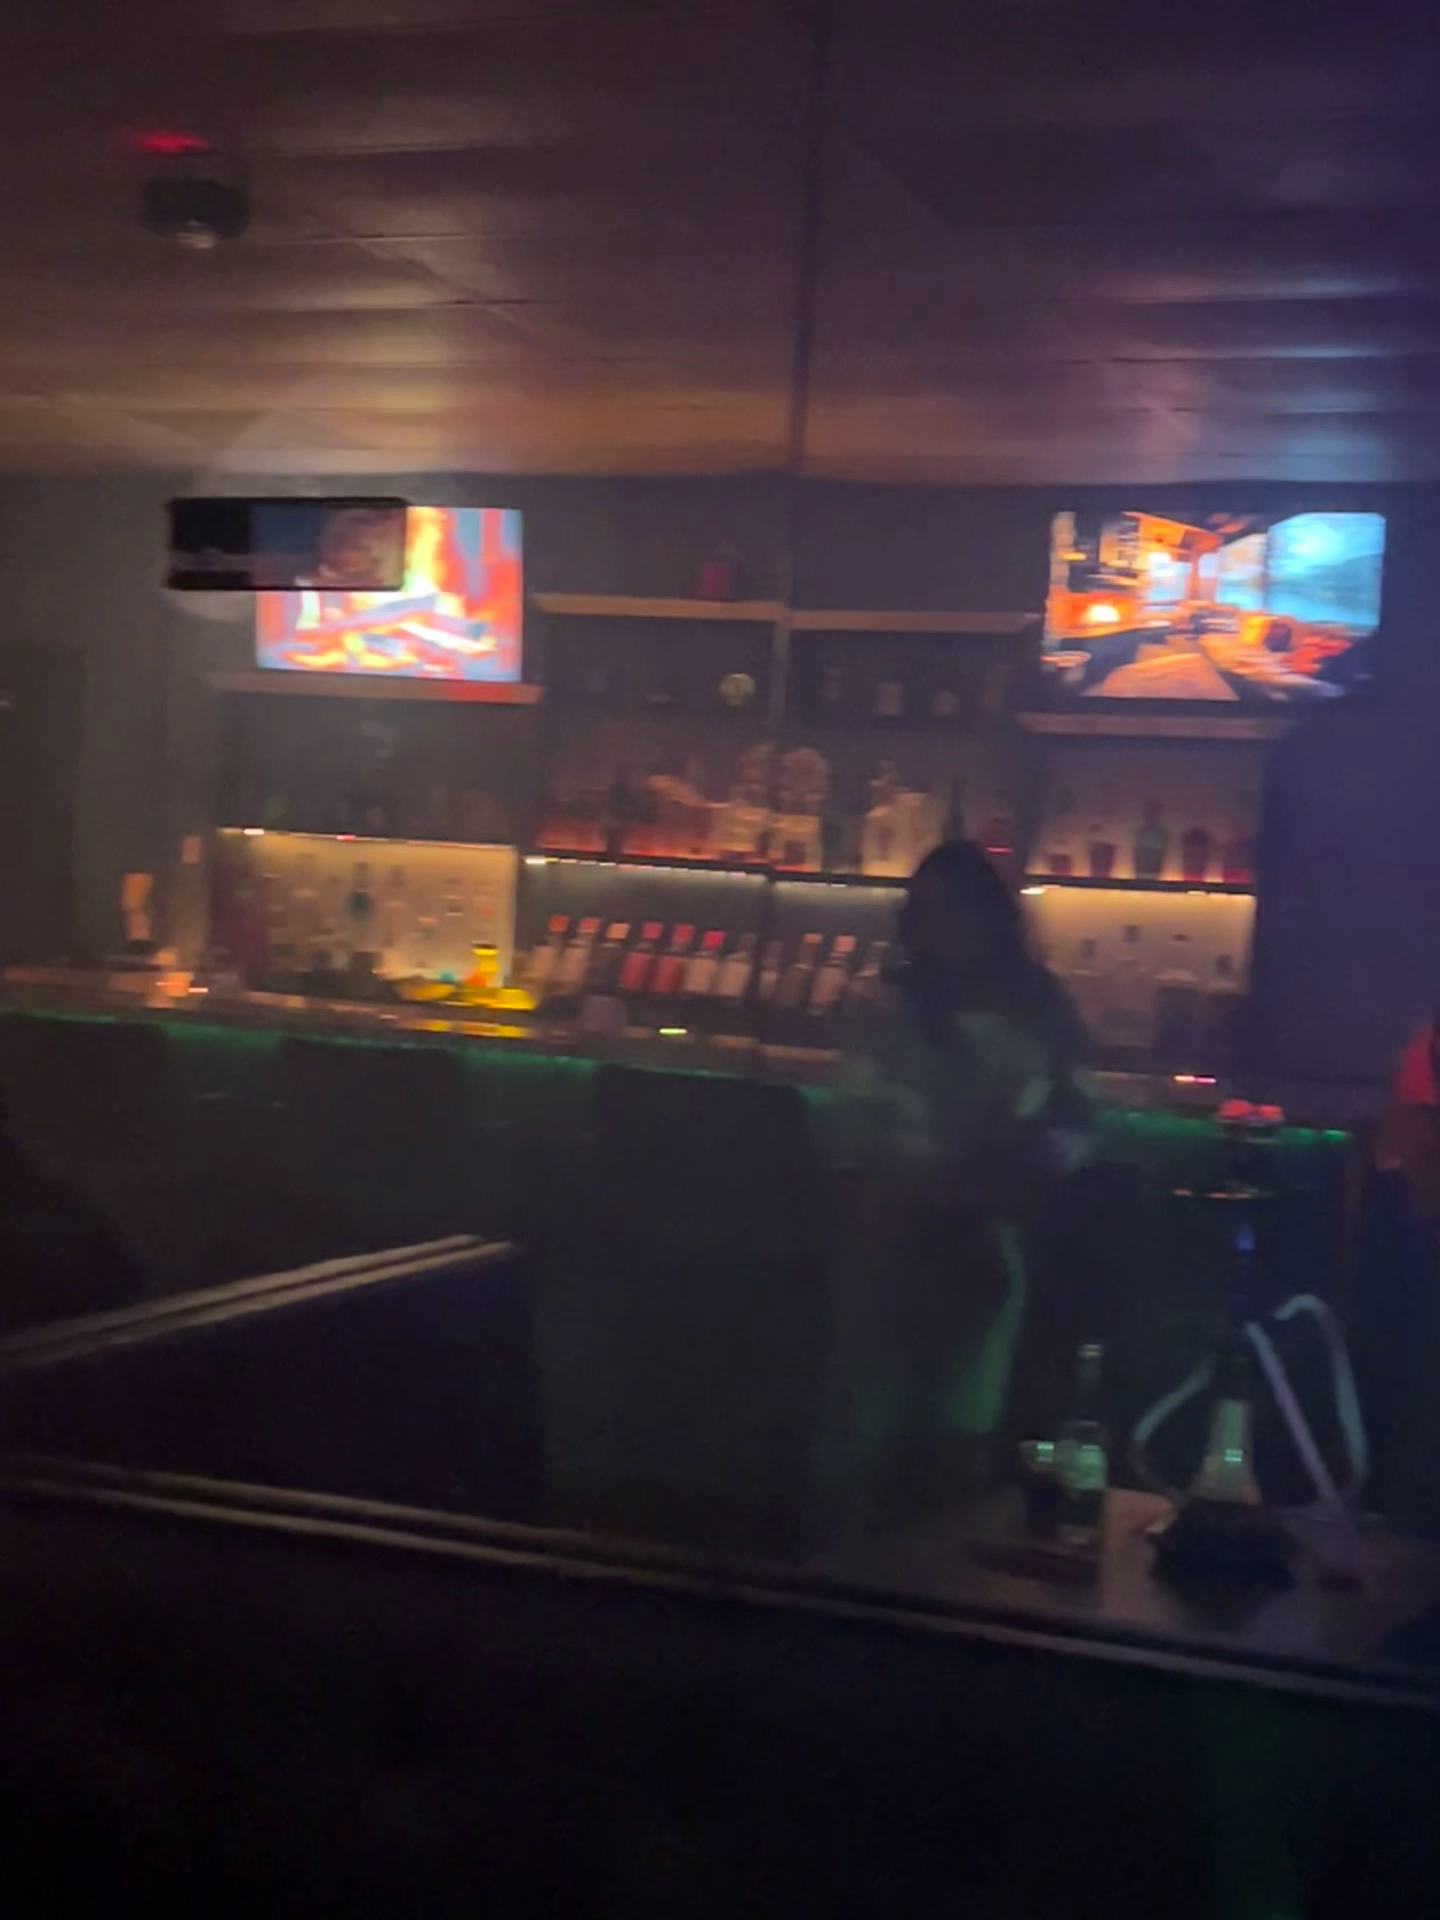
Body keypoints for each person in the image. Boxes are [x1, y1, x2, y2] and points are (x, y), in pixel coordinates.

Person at [820, 840, 1093, 1539]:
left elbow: (1076, 1121)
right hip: (894, 1239)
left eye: (952, 911)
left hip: (980, 1242)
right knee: (872, 1429)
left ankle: (935, 1575)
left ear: (988, 916)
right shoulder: (891, 1007)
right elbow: (853, 1123)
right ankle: (856, 1572)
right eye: (927, 914)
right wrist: (937, 1172)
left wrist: (1024, 1159)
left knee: (957, 1432)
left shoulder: (1038, 1011)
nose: (939, 929)